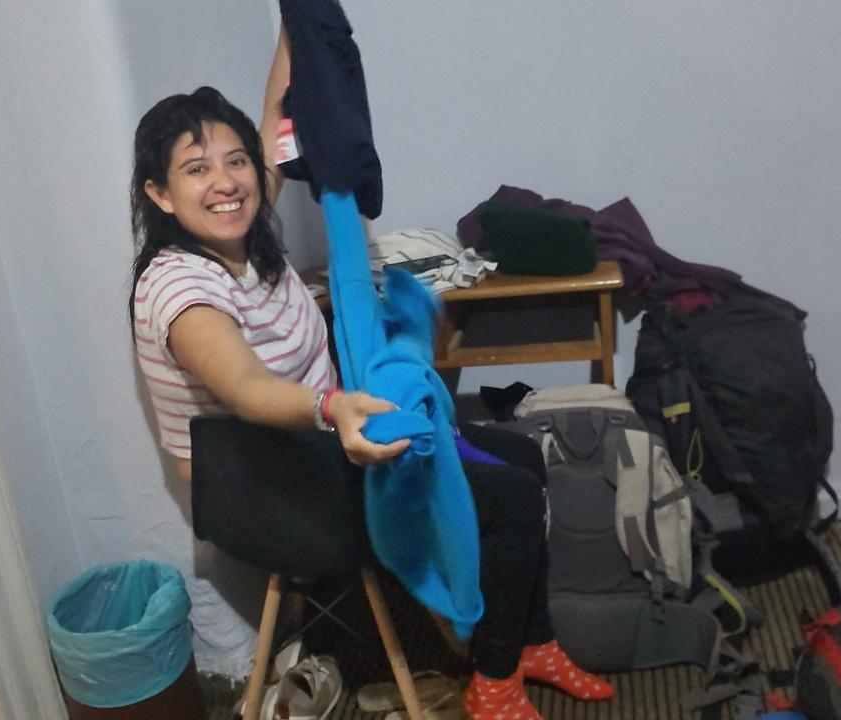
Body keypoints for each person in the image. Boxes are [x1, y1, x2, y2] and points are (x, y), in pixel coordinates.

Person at [128, 32, 613, 720]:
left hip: (318, 438)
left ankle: (529, 642)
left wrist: (300, 23)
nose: (227, 182)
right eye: (196, 169)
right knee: (505, 499)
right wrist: (332, 408)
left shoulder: (241, 233)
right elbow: (245, 387)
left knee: (524, 458)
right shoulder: (181, 289)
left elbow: (274, 117)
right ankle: (494, 682)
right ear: (160, 193)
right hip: (266, 485)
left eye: (235, 161)